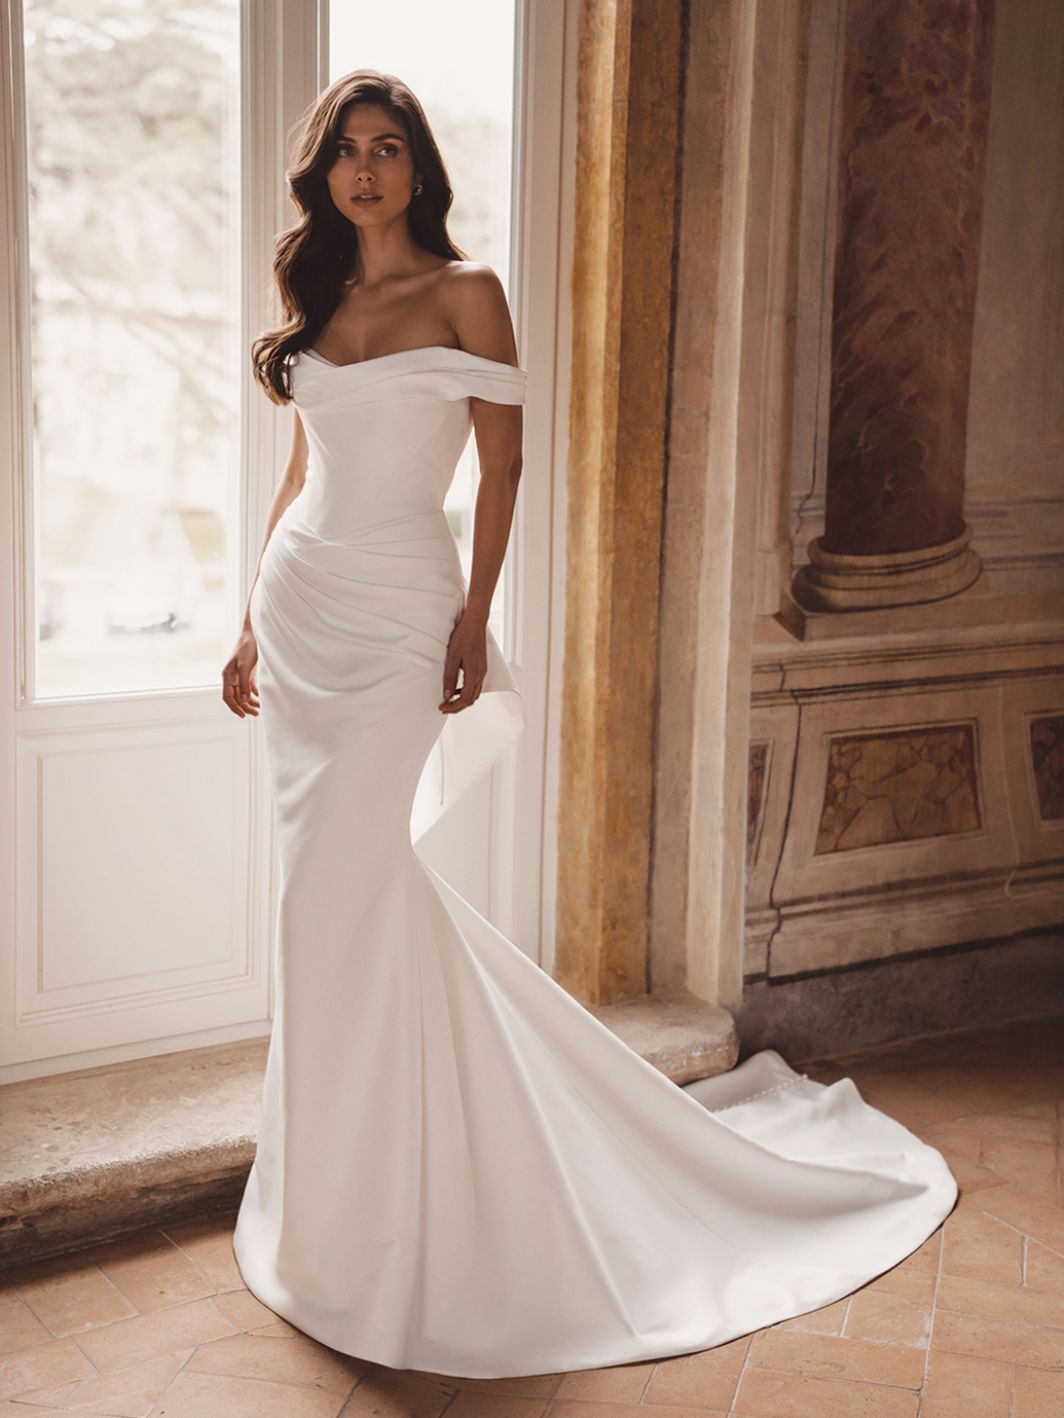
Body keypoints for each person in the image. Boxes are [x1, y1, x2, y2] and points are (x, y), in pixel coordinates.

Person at [222, 69, 958, 1381]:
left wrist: (474, 616)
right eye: (347, 151)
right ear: (322, 173)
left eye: (389, 149)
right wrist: (241, 618)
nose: (367, 171)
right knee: (319, 904)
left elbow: (501, 467)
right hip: (303, 612)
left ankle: (423, 1186)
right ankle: (342, 1192)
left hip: (400, 616)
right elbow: (298, 471)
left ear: (419, 169)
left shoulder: (470, 293)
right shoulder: (320, 299)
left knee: (349, 879)